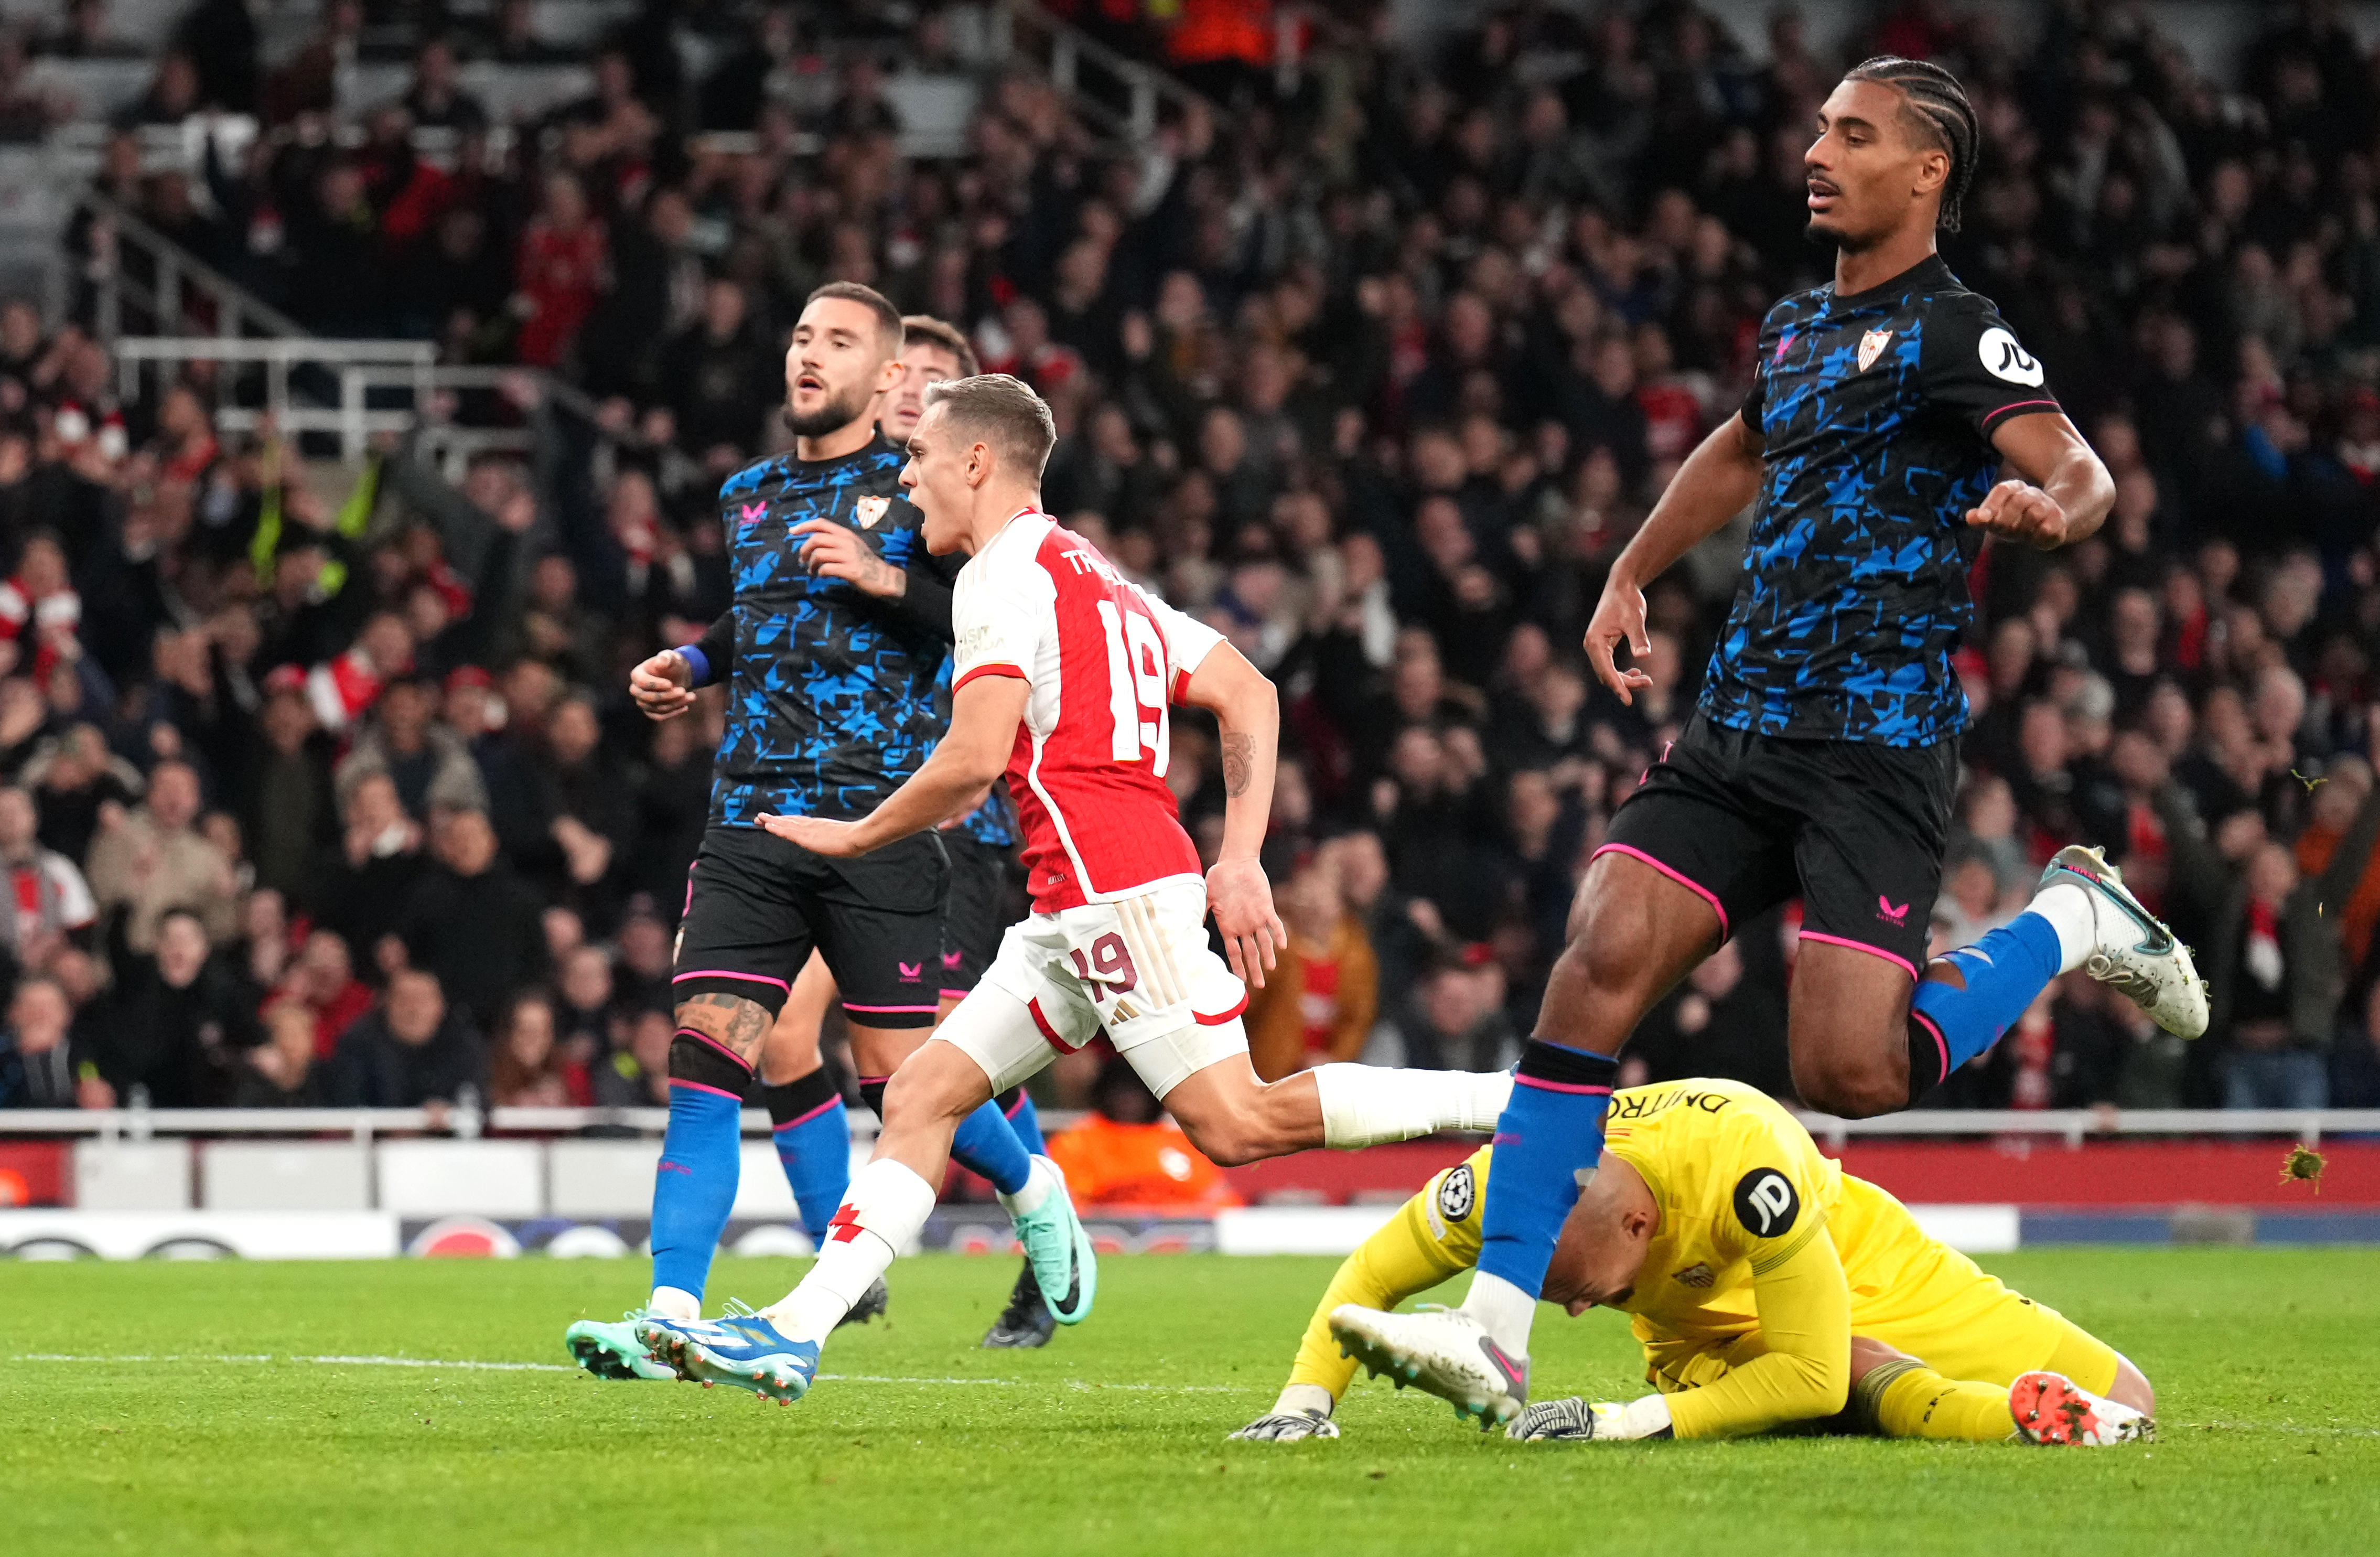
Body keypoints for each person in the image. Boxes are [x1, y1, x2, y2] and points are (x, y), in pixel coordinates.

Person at [1339, 57, 2202, 1429]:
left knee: (1848, 1075)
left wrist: (2059, 510)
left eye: (1852, 135)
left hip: (1873, 751)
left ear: (1925, 173)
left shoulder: (1952, 332)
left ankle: (2068, 919)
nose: (1817, 149)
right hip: (1734, 731)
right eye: (1818, 128)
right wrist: (1629, 569)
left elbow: (2075, 462)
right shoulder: (1797, 328)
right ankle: (1493, 1329)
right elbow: (1739, 451)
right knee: (1591, 968)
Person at [634, 373, 1511, 1403]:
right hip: (1076, 902)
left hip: (1113, 889)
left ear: (975, 462)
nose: (906, 484)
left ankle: (1515, 1102)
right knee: (920, 1091)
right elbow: (1247, 690)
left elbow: (971, 759)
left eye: (918, 461)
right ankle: (793, 1334)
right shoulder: (1092, 571)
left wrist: (858, 833)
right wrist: (1238, 857)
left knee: (1236, 1124)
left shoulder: (998, 577)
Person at [564, 289, 1076, 1383]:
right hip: (750, 810)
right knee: (708, 1059)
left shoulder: (927, 491)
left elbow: (985, 625)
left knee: (901, 1082)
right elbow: (752, 622)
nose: (810, 355)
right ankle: (665, 1314)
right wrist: (689, 668)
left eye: (839, 342)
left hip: (881, 818)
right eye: (800, 335)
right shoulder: (748, 496)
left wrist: (884, 574)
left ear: (887, 371)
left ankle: (1034, 1190)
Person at [1246, 1077, 2152, 1448]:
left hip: (1849, 1255)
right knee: (1849, 1379)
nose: (1570, 1313)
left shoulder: (1746, 1163)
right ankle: (2019, 1419)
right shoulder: (1503, 1182)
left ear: (1641, 1223)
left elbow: (1809, 1365)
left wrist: (1619, 1420)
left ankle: (2066, 1413)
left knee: (2134, 1396)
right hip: (1696, 1336)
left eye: (1588, 1291)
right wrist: (1303, 1404)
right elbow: (1372, 1272)